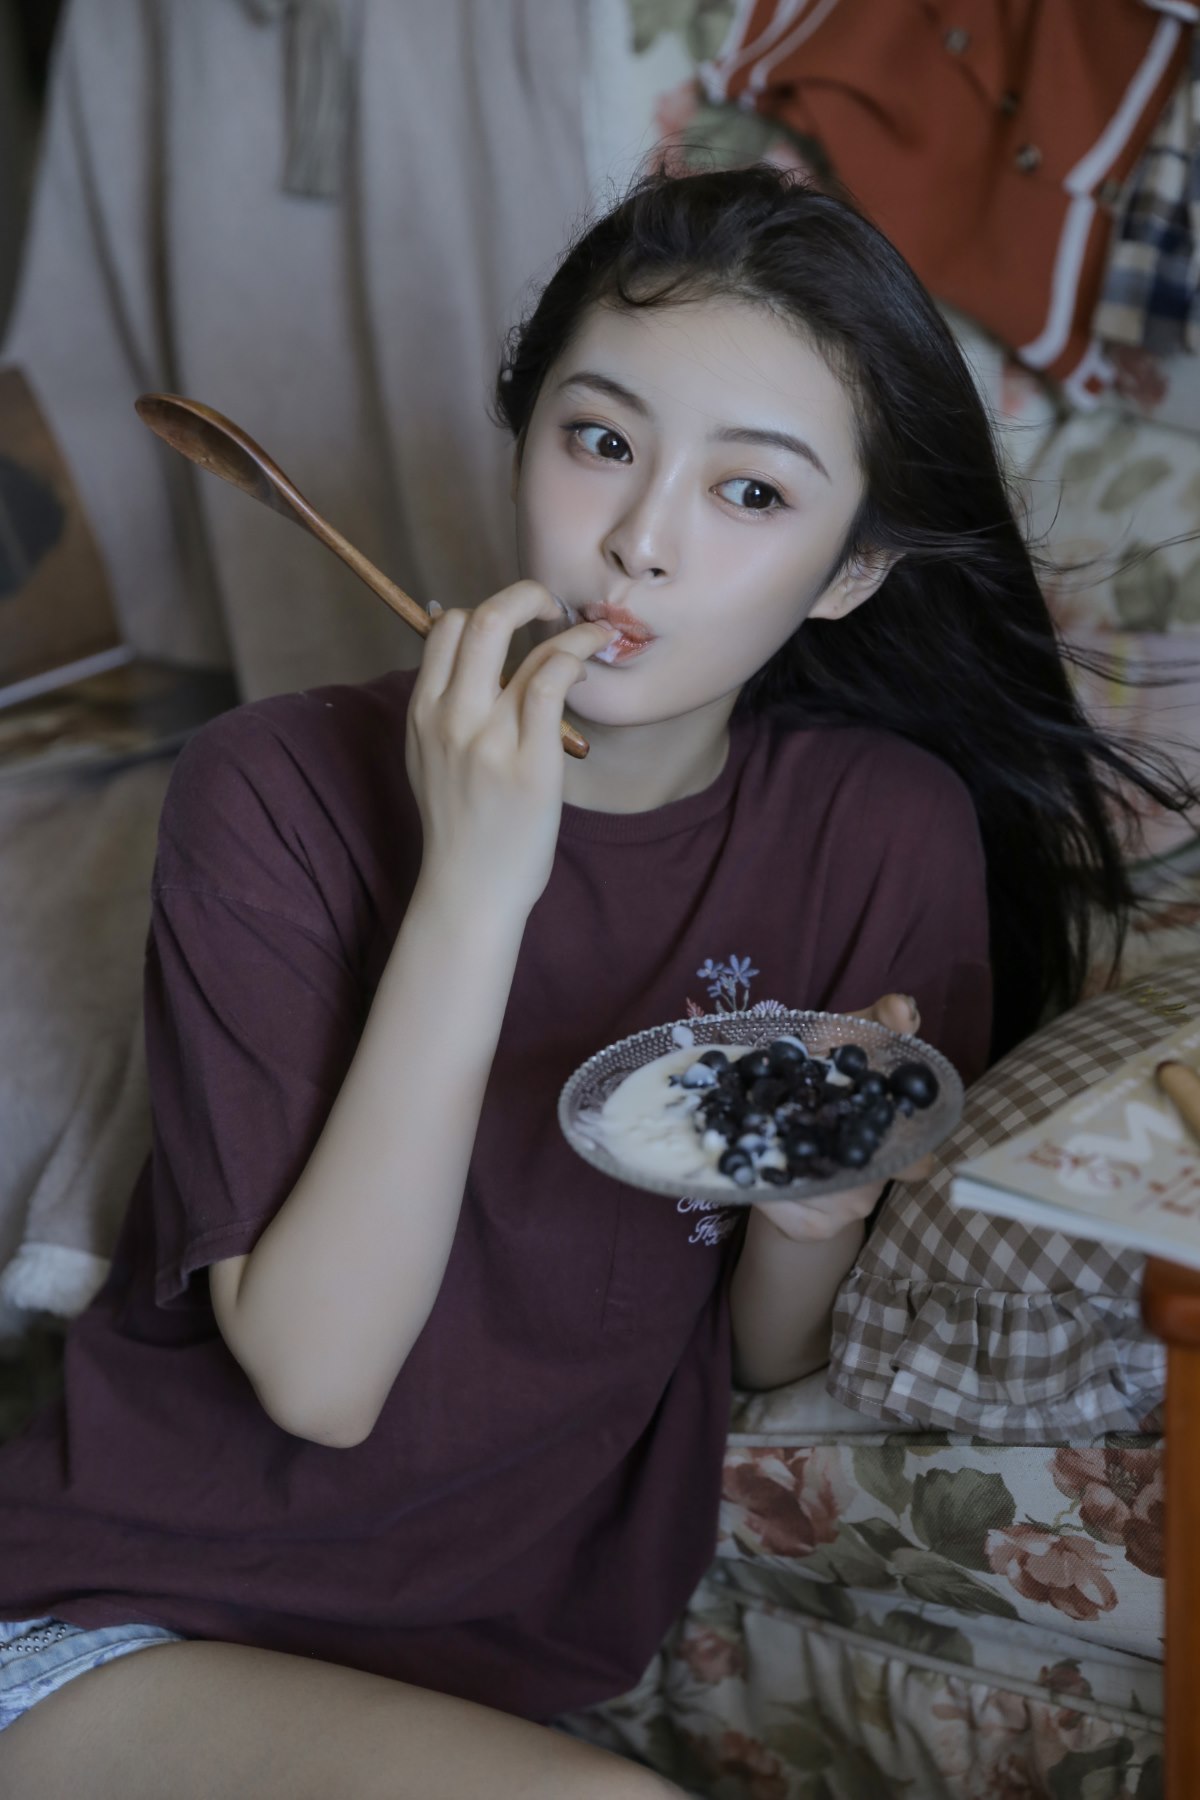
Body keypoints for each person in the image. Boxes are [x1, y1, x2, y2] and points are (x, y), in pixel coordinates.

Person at [0, 165, 1189, 1800]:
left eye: (752, 493)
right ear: (523, 441)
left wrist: (815, 1209)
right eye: (601, 441)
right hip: (108, 1626)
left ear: (850, 569)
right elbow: (318, 1380)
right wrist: (476, 886)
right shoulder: (271, 789)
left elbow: (767, 1358)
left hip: (482, 1683)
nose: (641, 538)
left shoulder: (877, 833)